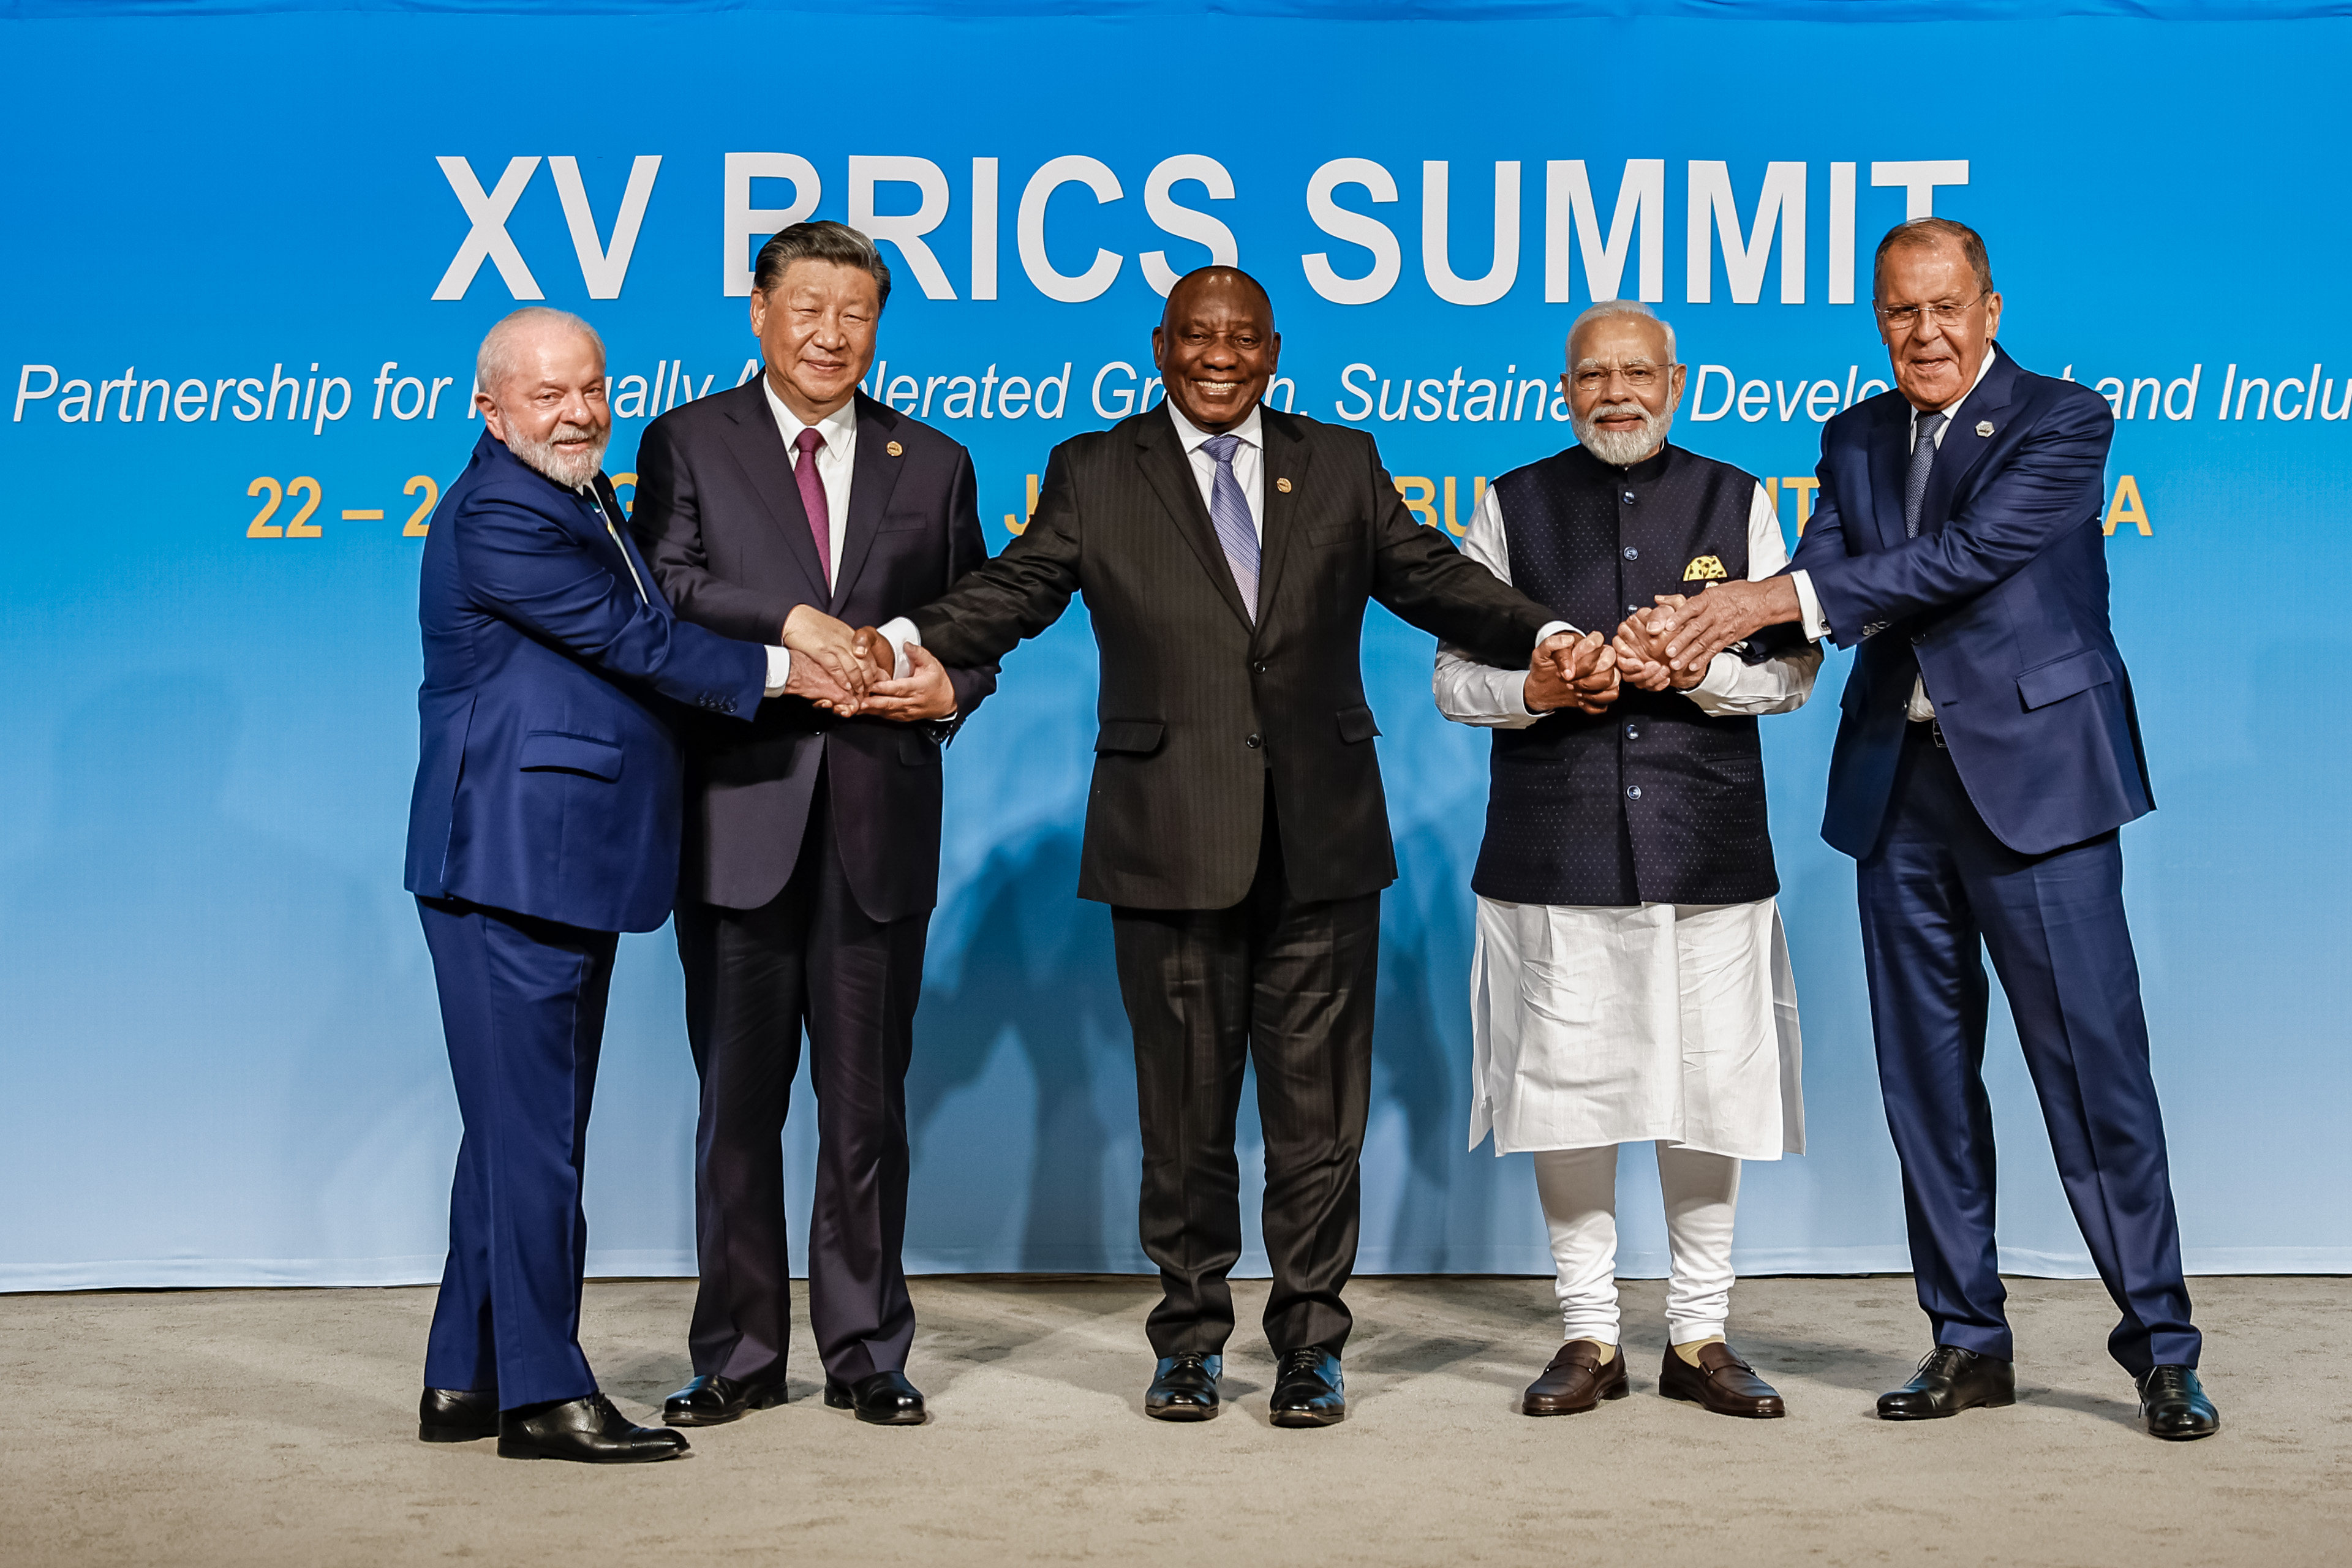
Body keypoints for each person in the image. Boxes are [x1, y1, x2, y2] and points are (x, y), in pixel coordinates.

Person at [858, 265, 1569, 1427]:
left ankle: (1310, 1345)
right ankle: (1187, 1341)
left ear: (1274, 349)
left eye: (1242, 338)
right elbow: (1018, 588)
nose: (1219, 356)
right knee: (1182, 1120)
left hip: (1323, 842)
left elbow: (1434, 576)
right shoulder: (1097, 469)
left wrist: (1546, 629)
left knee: (1317, 1122)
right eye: (1198, 337)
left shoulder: (1340, 461)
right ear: (1161, 345)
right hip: (1167, 838)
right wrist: (902, 641)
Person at [1651, 218, 2218, 1441]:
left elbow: (1965, 559)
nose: (1926, 332)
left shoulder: (2066, 422)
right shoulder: (1855, 432)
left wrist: (1768, 596)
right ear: (1878, 320)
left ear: (1992, 305)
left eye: (1946, 306)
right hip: (1898, 791)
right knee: (1925, 1084)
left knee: (2094, 1074)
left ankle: (2161, 1346)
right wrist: (1695, 629)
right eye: (1901, 312)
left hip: (2041, 792)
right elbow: (1822, 575)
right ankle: (1968, 1339)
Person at [404, 307, 862, 1462]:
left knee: (516, 1132)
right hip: (510, 864)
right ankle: (546, 1397)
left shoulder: (578, 495)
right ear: (489, 405)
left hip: (566, 861)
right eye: (548, 394)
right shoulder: (504, 510)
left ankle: (466, 1376)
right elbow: (636, 641)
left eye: (591, 389)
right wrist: (791, 668)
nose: (578, 413)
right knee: (535, 1141)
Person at [631, 222, 995, 1430]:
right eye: (809, 307)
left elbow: (973, 618)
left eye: (856, 313)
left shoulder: (933, 462)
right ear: (759, 311)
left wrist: (949, 685)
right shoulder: (689, 441)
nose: (832, 334)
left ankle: (864, 1348)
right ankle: (736, 1350)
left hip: (878, 827)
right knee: (737, 1105)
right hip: (740, 816)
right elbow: (668, 582)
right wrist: (795, 622)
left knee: (864, 1104)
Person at [1434, 300, 1817, 1420]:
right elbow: (1455, 680)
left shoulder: (1739, 498)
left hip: (1707, 848)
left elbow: (1793, 679)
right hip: (1554, 851)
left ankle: (1700, 1335)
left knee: (1711, 1098)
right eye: (1594, 374)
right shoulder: (1511, 505)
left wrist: (1694, 670)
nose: (1617, 392)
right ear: (1567, 388)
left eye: (1637, 372)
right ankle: (1588, 1333)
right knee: (1568, 1097)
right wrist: (1536, 690)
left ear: (1676, 380)